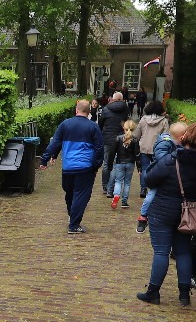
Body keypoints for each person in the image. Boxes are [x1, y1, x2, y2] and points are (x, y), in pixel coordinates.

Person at [137, 121, 196, 306]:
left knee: (161, 252)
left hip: (163, 210)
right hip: (188, 214)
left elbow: (149, 179)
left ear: (184, 138)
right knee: (183, 252)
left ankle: (153, 292)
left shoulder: (171, 159)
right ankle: (184, 294)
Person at [39, 99, 104, 234]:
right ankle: (74, 224)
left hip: (68, 167)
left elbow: (55, 142)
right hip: (85, 167)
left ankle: (72, 216)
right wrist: (95, 166)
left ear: (76, 110)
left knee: (69, 193)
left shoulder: (65, 124)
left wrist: (45, 159)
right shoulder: (93, 127)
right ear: (89, 111)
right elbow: (99, 149)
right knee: (81, 195)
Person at [130, 100, 171, 231]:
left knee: (144, 168)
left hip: (144, 147)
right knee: (156, 169)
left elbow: (137, 134)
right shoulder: (164, 121)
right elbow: (166, 136)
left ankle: (143, 188)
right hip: (158, 148)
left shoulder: (143, 119)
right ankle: (152, 187)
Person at [96, 92, 131, 197]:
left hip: (107, 139)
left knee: (106, 163)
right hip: (121, 139)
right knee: (116, 164)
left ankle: (105, 186)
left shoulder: (106, 109)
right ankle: (112, 187)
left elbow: (100, 124)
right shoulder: (126, 109)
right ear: (122, 99)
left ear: (112, 99)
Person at [109, 119, 139, 210]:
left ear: (124, 128)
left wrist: (110, 163)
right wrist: (139, 167)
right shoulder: (135, 140)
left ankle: (116, 196)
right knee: (127, 183)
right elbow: (137, 154)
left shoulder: (119, 138)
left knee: (118, 181)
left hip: (119, 162)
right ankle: (124, 202)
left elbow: (112, 152)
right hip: (130, 163)